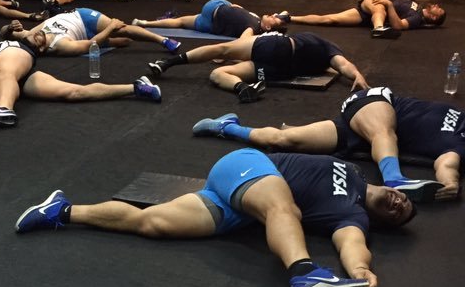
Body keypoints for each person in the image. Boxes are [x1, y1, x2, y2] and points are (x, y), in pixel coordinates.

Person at [15, 148, 416, 287]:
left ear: (383, 221)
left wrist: (360, 270)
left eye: (399, 214)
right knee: (283, 207)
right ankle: (304, 272)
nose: (398, 204)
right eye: (403, 199)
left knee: (152, 222)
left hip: (240, 205)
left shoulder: (353, 215)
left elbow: (352, 243)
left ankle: (63, 211)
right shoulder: (351, 168)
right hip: (250, 166)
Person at [192, 86, 461, 203]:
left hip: (358, 135)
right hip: (376, 103)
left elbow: (447, 163)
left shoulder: (459, 146)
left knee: (284, 140)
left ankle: (226, 126)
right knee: (384, 132)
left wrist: (450, 183)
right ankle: (394, 179)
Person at [0, 36, 162, 127]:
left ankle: (4, 109)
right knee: (73, 93)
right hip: (12, 74)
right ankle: (138, 87)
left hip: (6, 54)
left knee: (5, 74)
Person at [147, 31, 368, 104]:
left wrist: (356, 74)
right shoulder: (328, 55)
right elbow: (342, 65)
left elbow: (343, 63)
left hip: (278, 47)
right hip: (277, 71)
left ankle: (168, 63)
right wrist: (356, 76)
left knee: (221, 49)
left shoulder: (328, 46)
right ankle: (243, 88)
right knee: (217, 73)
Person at [0, 9, 182, 55]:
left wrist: (9, 28)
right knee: (122, 34)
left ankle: (163, 40)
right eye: (37, 40)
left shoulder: (31, 36)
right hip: (84, 28)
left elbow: (3, 34)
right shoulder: (60, 46)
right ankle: (113, 38)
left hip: (81, 15)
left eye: (34, 35)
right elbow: (91, 44)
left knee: (125, 33)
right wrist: (111, 27)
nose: (37, 35)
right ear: (41, 49)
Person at [286, 0, 446, 38]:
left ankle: (288, 17)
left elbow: (399, 26)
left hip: (374, 9)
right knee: (380, 8)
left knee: (329, 19)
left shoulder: (417, 19)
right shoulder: (416, 5)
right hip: (374, 0)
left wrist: (389, 4)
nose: (437, 5)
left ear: (433, 18)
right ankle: (379, 28)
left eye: (439, 10)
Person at [131, 0, 289, 38]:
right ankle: (144, 23)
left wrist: (224, 57)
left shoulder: (253, 28)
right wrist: (281, 19)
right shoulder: (256, 18)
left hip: (211, 20)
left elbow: (242, 42)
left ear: (268, 27)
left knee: (181, 22)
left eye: (274, 19)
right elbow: (285, 13)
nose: (273, 15)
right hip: (217, 8)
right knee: (180, 22)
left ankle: (146, 24)